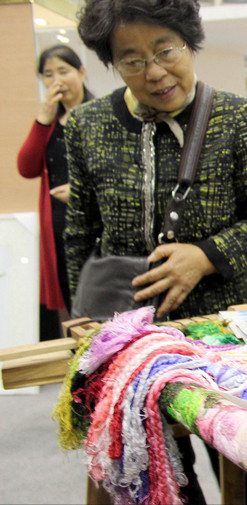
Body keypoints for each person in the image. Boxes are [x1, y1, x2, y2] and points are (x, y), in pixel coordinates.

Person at [68, 0, 247, 503]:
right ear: (112, 62)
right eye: (132, 59)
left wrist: (205, 255)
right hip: (131, 342)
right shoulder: (87, 127)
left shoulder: (236, 116)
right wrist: (79, 319)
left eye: (166, 50)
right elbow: (80, 235)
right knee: (159, 481)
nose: (155, 71)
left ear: (189, 43)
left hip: (222, 340)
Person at [17, 45, 93, 340]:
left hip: (92, 227)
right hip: (58, 229)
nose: (57, 80)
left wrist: (81, 192)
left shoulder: (98, 117)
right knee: (67, 301)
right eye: (48, 75)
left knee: (96, 298)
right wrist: (42, 118)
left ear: (81, 73)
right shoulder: (48, 123)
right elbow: (26, 167)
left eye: (64, 71)